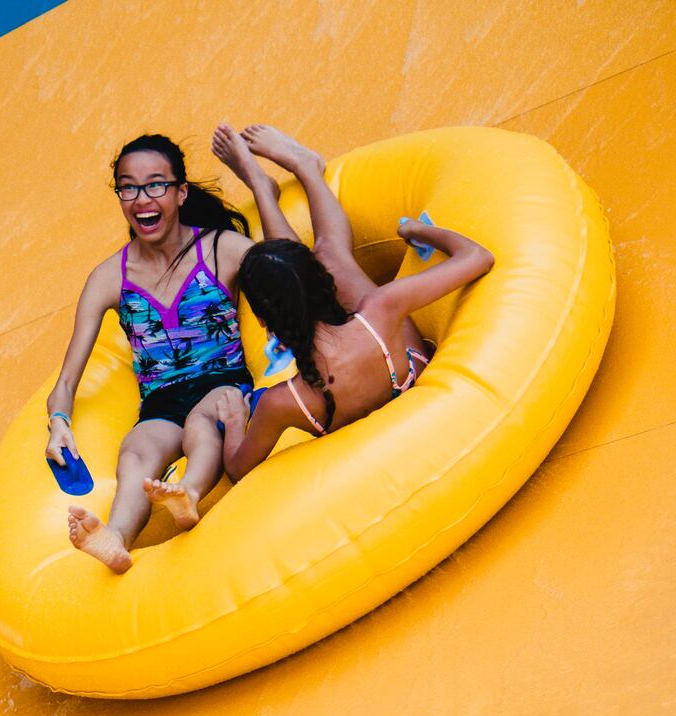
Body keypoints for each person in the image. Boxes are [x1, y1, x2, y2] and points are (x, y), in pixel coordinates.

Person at [175, 125, 494, 483]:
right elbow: (477, 257)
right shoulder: (382, 307)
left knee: (305, 267)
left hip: (339, 387)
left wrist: (235, 422)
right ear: (322, 285)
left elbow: (237, 467)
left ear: (262, 322)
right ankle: (305, 169)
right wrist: (418, 232)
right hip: (389, 356)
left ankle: (264, 188)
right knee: (331, 254)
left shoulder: (283, 403)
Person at [49, 133, 296, 573]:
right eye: (128, 187)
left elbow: (291, 264)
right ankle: (116, 538)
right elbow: (67, 380)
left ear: (181, 193)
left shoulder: (218, 248)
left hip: (223, 383)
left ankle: (189, 494)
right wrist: (59, 424)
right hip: (160, 400)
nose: (142, 199)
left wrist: (262, 187)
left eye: (156, 184)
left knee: (202, 429)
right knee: (134, 452)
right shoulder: (109, 278)